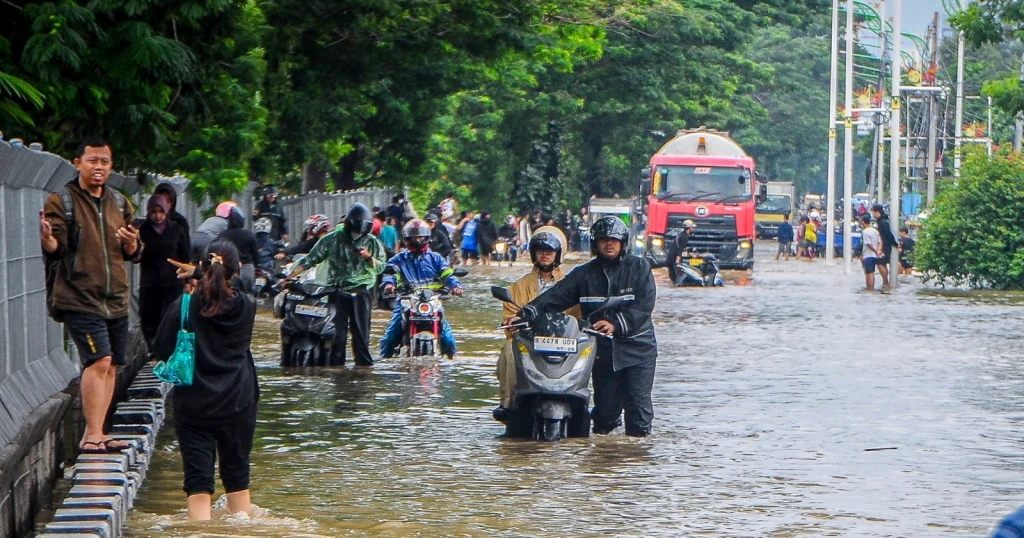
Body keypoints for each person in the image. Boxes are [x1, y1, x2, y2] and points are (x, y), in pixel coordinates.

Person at [512, 216, 657, 437]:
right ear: (595, 244)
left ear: (623, 242)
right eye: (603, 240)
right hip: (602, 352)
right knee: (604, 417)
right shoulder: (584, 273)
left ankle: (635, 463)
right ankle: (603, 463)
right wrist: (525, 313)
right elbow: (555, 296)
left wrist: (615, 324)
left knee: (638, 413)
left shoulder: (639, 267)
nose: (609, 244)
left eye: (614, 240)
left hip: (638, 349)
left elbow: (644, 306)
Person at [40, 137, 141, 453]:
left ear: (111, 167)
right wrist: (47, 240)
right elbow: (57, 248)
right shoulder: (63, 201)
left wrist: (131, 243)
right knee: (100, 359)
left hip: (116, 298)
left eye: (105, 162)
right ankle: (92, 434)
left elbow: (133, 252)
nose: (99, 167)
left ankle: (99, 431)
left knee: (113, 366)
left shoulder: (120, 202)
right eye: (93, 161)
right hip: (79, 297)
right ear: (78, 163)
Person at [154, 240, 258, 520]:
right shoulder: (248, 306)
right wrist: (202, 273)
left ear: (201, 268)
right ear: (234, 270)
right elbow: (243, 285)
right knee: (237, 476)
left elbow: (162, 348)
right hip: (239, 402)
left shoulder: (185, 306)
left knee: (198, 482)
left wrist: (197, 278)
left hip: (194, 405)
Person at [281, 203, 385, 366]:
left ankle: (363, 369)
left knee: (361, 336)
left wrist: (368, 258)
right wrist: (288, 278)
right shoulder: (332, 239)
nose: (357, 236)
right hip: (337, 290)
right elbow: (310, 259)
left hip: (362, 291)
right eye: (355, 232)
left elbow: (381, 267)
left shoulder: (371, 242)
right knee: (337, 336)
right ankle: (336, 369)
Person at [492, 232, 580, 422]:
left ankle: (583, 402)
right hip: (529, 341)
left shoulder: (571, 284)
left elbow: (581, 315)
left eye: (550, 251)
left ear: (558, 254)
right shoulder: (518, 287)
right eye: (541, 250)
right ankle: (508, 404)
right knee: (509, 350)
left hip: (563, 342)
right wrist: (513, 322)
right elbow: (509, 321)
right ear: (533, 253)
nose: (545, 255)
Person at [378, 219, 464, 359]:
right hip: (406, 302)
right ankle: (383, 366)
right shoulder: (398, 259)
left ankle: (450, 365)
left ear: (427, 238)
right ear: (406, 239)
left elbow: (447, 274)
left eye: (420, 237)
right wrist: (389, 285)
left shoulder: (436, 259)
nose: (417, 240)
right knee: (389, 339)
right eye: (413, 237)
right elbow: (390, 273)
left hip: (433, 303)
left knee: (449, 340)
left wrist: (455, 286)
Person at [138, 194, 190, 344]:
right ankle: (153, 350)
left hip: (172, 282)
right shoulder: (143, 231)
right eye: (154, 212)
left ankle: (166, 349)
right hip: (149, 283)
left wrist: (187, 279)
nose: (158, 216)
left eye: (161, 212)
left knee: (168, 317)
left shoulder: (176, 230)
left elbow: (184, 255)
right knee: (149, 317)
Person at [218, 207, 259, 293]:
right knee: (248, 296)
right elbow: (256, 255)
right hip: (246, 268)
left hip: (228, 270)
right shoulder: (249, 235)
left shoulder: (222, 235)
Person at [872, 203, 897, 290]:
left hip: (884, 246)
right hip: (884, 245)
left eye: (873, 212)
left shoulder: (882, 222)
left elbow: (888, 234)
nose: (872, 214)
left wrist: (895, 244)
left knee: (880, 264)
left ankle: (886, 283)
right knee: (882, 264)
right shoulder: (881, 221)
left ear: (877, 212)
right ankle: (885, 283)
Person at [860, 214, 881, 291]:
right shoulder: (875, 231)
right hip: (874, 255)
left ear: (863, 222)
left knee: (869, 273)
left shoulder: (865, 232)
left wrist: (875, 251)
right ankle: (871, 288)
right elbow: (879, 242)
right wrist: (878, 251)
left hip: (868, 255)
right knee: (871, 272)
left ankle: (870, 288)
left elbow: (868, 244)